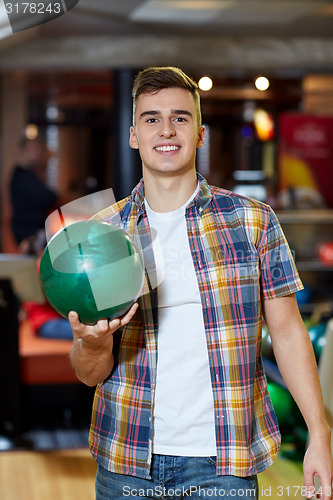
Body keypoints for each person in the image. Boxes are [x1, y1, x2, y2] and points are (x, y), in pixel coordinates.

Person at [69, 67, 333, 499]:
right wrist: (93, 343)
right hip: (126, 464)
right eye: (151, 118)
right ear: (134, 134)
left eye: (180, 117)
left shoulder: (253, 221)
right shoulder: (104, 234)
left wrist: (319, 436)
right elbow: (89, 372)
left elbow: (287, 333)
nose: (166, 129)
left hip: (223, 465)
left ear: (200, 133)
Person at [10, 136, 58, 245]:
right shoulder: (22, 174)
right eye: (31, 149)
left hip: (33, 230)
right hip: (27, 231)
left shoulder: (32, 174)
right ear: (22, 152)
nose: (35, 153)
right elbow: (46, 197)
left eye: (37, 149)